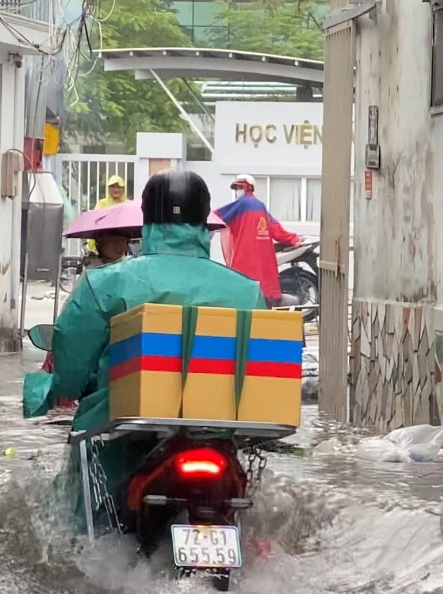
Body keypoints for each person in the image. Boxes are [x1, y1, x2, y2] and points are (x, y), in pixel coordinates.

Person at [28, 170, 268, 522]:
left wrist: (52, 390)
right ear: (205, 220)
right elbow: (263, 372)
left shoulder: (105, 283)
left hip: (124, 434)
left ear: (147, 220)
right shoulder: (248, 290)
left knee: (85, 515)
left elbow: (72, 363)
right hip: (219, 430)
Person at [214, 174, 302, 304]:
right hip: (264, 261)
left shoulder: (240, 205)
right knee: (265, 297)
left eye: (240, 187)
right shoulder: (261, 207)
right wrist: (294, 239)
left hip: (244, 260)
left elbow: (215, 217)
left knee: (243, 295)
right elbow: (276, 230)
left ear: (248, 187)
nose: (238, 191)